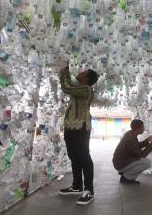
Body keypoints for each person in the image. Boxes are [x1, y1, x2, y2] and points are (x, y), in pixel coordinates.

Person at [58, 65, 99, 206]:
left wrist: (63, 73)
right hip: (70, 126)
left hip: (81, 127)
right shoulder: (79, 86)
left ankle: (89, 190)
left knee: (83, 157)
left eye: (83, 72)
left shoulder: (86, 89)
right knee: (73, 156)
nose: (80, 73)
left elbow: (67, 88)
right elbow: (70, 84)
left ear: (87, 78)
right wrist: (66, 72)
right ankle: (77, 186)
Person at [112, 119, 152, 184]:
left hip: (121, 161)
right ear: (138, 129)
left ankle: (126, 174)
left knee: (143, 161)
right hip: (120, 164)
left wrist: (147, 140)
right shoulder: (130, 138)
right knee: (147, 162)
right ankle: (126, 178)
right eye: (143, 127)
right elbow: (142, 154)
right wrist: (151, 144)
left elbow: (136, 146)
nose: (144, 129)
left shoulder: (130, 134)